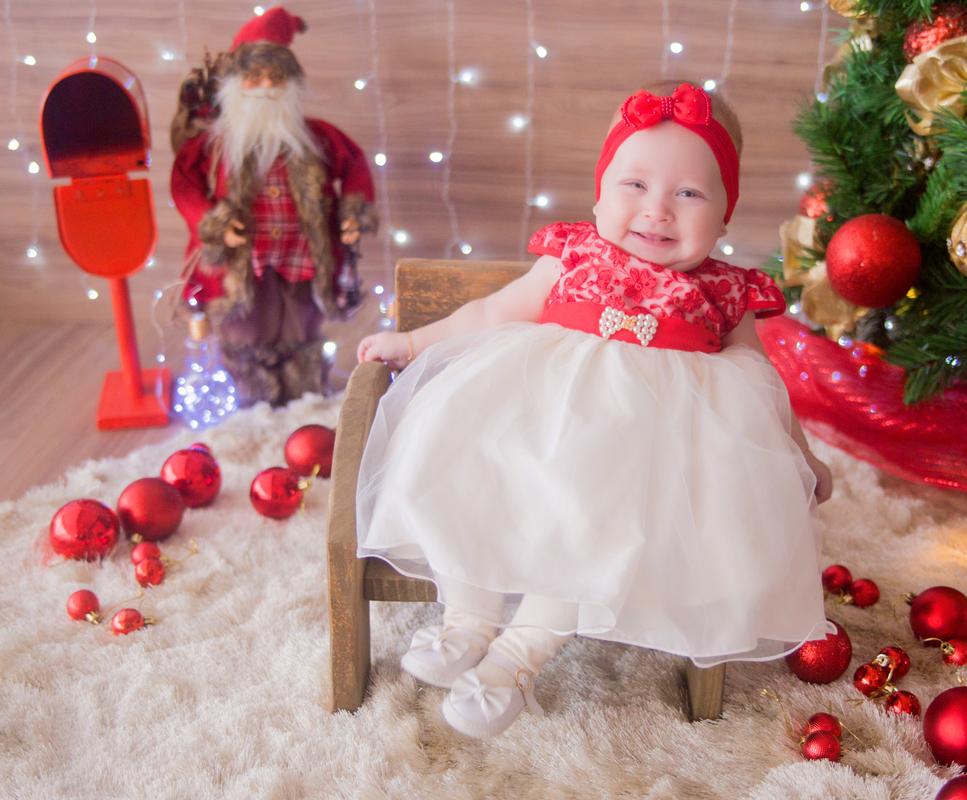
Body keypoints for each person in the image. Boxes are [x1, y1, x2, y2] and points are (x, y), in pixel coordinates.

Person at [356, 81, 834, 739]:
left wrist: (801, 457)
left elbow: (761, 384)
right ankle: (467, 619)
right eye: (635, 184)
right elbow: (492, 313)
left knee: (607, 530)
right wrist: (413, 343)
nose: (657, 210)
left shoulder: (727, 292)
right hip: (537, 416)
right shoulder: (573, 254)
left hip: (646, 456)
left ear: (726, 216)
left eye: (689, 194)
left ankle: (516, 661)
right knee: (464, 463)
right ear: (600, 192)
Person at [171, 7, 377, 407]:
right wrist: (212, 223)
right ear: (236, 85)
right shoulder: (215, 146)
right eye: (255, 77)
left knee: (300, 320)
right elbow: (184, 184)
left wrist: (352, 212)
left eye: (277, 77)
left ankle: (303, 394)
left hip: (302, 255)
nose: (266, 86)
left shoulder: (316, 137)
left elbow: (355, 165)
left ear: (291, 85)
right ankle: (251, 395)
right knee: (246, 325)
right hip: (244, 258)